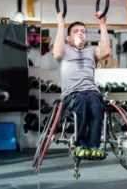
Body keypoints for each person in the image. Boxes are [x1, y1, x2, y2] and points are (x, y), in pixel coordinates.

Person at [52, 11, 111, 160]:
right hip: (72, 95)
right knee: (83, 101)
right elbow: (57, 53)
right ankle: (81, 145)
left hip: (91, 92)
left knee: (96, 103)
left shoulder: (91, 51)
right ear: (68, 37)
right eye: (76, 31)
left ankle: (94, 146)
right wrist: (61, 24)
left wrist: (102, 25)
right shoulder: (65, 50)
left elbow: (106, 52)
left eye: (83, 32)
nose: (80, 34)